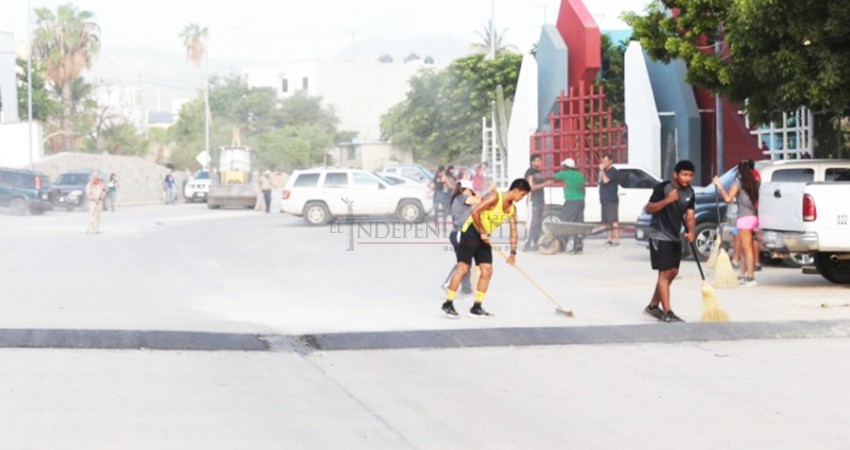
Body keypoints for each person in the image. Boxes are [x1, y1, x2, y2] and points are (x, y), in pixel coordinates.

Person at [441, 178, 531, 318]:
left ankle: (476, 307)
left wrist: (512, 253)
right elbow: (475, 212)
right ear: (516, 190)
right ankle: (448, 304)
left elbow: (514, 231)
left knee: (487, 270)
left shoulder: (512, 209)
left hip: (484, 237)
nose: (522, 198)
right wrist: (482, 231)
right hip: (470, 232)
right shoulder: (495, 197)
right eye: (522, 195)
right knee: (463, 268)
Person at [644, 160, 696, 323]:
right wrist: (667, 200)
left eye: (690, 175)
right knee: (665, 272)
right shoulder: (663, 188)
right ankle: (667, 312)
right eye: (684, 174)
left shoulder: (690, 192)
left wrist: (692, 231)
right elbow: (649, 208)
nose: (687, 178)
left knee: (673, 272)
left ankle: (653, 307)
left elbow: (690, 214)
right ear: (675, 174)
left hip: (675, 235)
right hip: (659, 234)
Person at [714, 160, 761, 286]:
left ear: (739, 171)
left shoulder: (738, 184)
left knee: (746, 249)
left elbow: (728, 198)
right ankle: (742, 274)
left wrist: (720, 186)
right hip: (754, 218)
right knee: (746, 249)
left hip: (743, 219)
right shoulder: (755, 184)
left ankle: (751, 277)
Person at [441, 179, 482, 296]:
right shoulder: (461, 198)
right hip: (459, 234)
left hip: (464, 234)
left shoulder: (460, 199)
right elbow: (479, 200)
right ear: (467, 190)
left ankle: (466, 289)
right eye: (471, 191)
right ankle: (448, 284)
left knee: (466, 262)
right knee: (463, 263)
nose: (472, 193)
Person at [553, 158, 585, 254]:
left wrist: (540, 178)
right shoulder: (580, 175)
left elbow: (553, 177)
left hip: (571, 201)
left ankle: (562, 245)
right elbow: (583, 188)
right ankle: (578, 246)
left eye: (563, 166)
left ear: (566, 166)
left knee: (566, 222)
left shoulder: (565, 173)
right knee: (578, 224)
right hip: (581, 200)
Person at [523, 155, 554, 252]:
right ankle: (528, 243)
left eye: (540, 160)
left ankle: (535, 242)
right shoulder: (530, 172)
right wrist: (545, 184)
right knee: (533, 222)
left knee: (538, 223)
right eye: (538, 160)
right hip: (533, 200)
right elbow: (531, 187)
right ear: (532, 162)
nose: (540, 162)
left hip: (540, 200)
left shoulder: (539, 173)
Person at [599, 153, 620, 247]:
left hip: (611, 199)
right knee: (607, 221)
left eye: (606, 161)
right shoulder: (604, 171)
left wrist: (601, 170)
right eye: (603, 161)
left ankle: (616, 239)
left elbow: (606, 180)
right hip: (604, 199)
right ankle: (609, 239)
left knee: (613, 220)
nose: (604, 163)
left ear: (610, 161)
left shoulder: (613, 171)